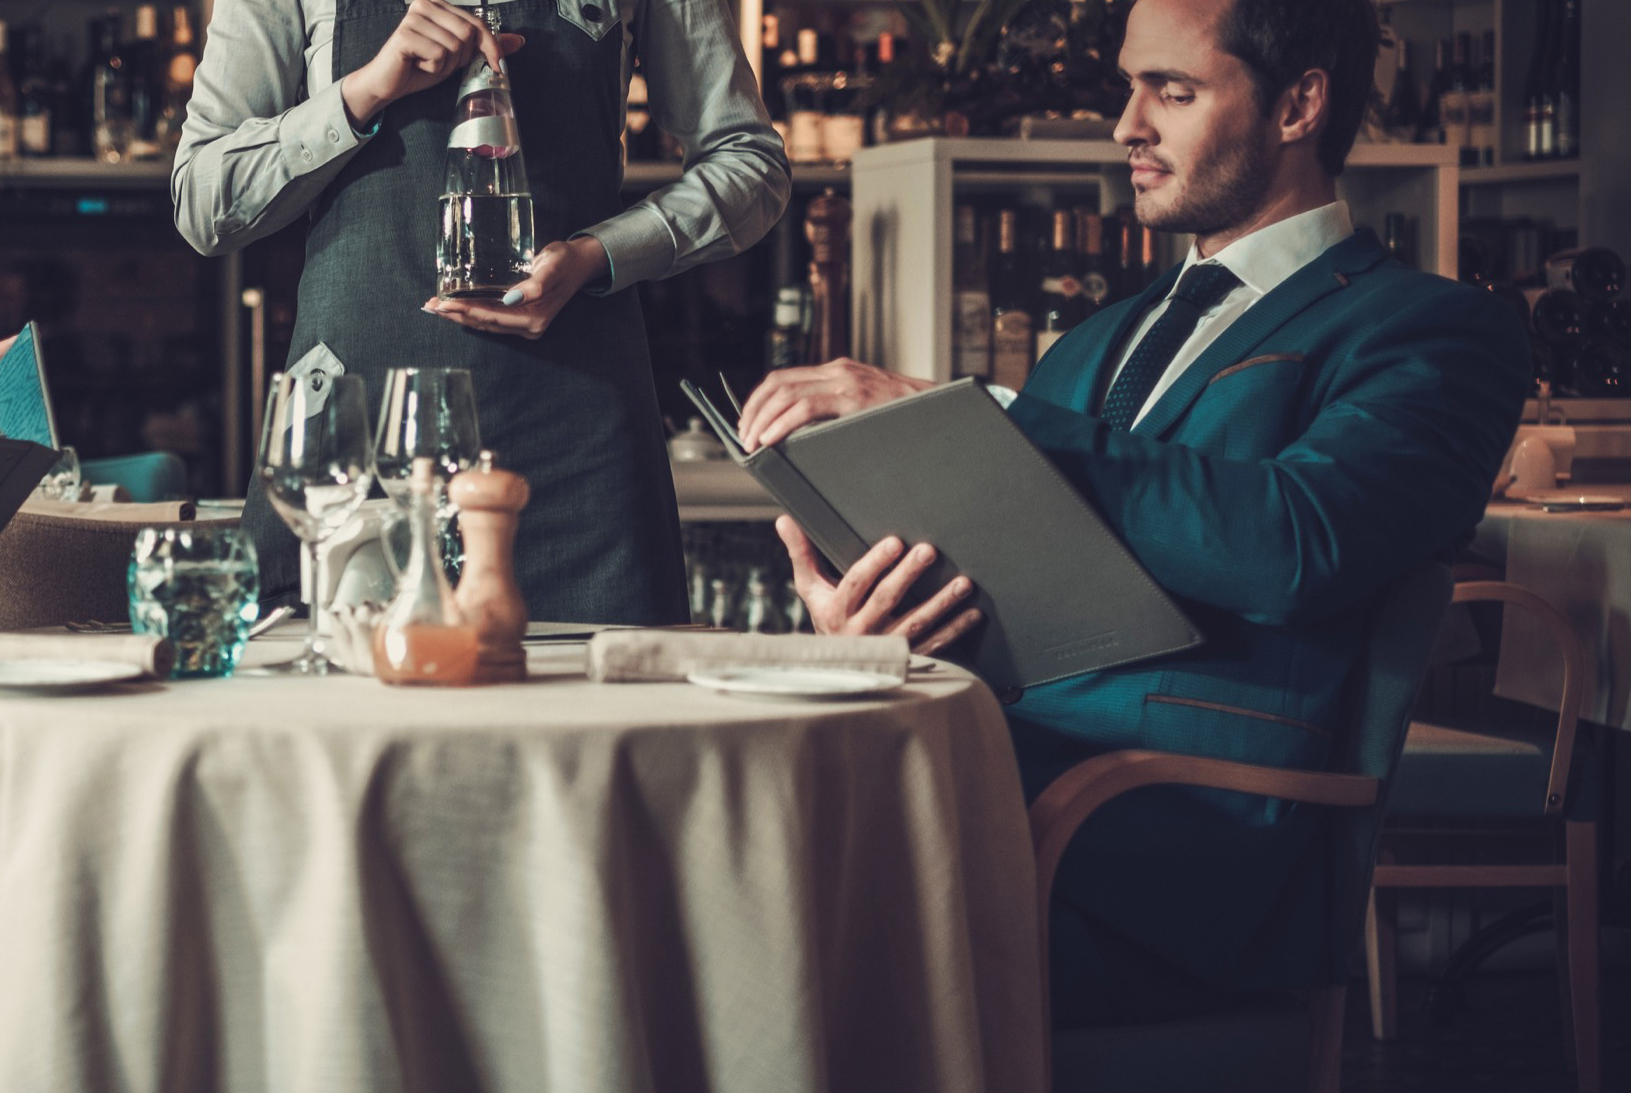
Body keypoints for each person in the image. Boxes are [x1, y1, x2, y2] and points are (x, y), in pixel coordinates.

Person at [736, 0, 1527, 1025]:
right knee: (705, 853)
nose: (1126, 125)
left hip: (1175, 850)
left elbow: (1297, 542)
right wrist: (877, 628)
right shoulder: (1093, 341)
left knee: (763, 904)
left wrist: (977, 418)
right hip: (988, 790)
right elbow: (1020, 593)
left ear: (1298, 104)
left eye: (1174, 91)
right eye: (1128, 85)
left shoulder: (1432, 331)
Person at [173, 0, 789, 624]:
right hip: (355, 450)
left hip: (580, 449)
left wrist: (597, 255)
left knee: (596, 717)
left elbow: (750, 163)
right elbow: (201, 199)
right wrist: (364, 91)